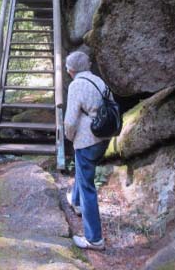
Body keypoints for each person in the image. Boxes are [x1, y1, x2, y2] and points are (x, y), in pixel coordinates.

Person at [64, 51, 111, 250]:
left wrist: (68, 136)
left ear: (71, 70)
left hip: (87, 140)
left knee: (88, 187)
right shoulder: (99, 81)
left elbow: (70, 120)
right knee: (84, 172)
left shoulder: (76, 85)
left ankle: (94, 239)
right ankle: (75, 202)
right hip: (104, 137)